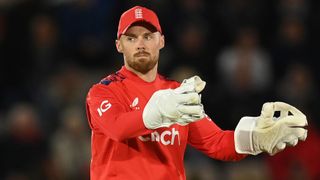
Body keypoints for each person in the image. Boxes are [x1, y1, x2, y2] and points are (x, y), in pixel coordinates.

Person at [85, 6, 308, 180]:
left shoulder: (177, 93)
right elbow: (118, 128)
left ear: (161, 41)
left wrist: (255, 138)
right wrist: (157, 112)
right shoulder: (103, 92)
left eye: (148, 36)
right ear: (118, 45)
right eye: (131, 38)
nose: (140, 44)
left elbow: (217, 143)